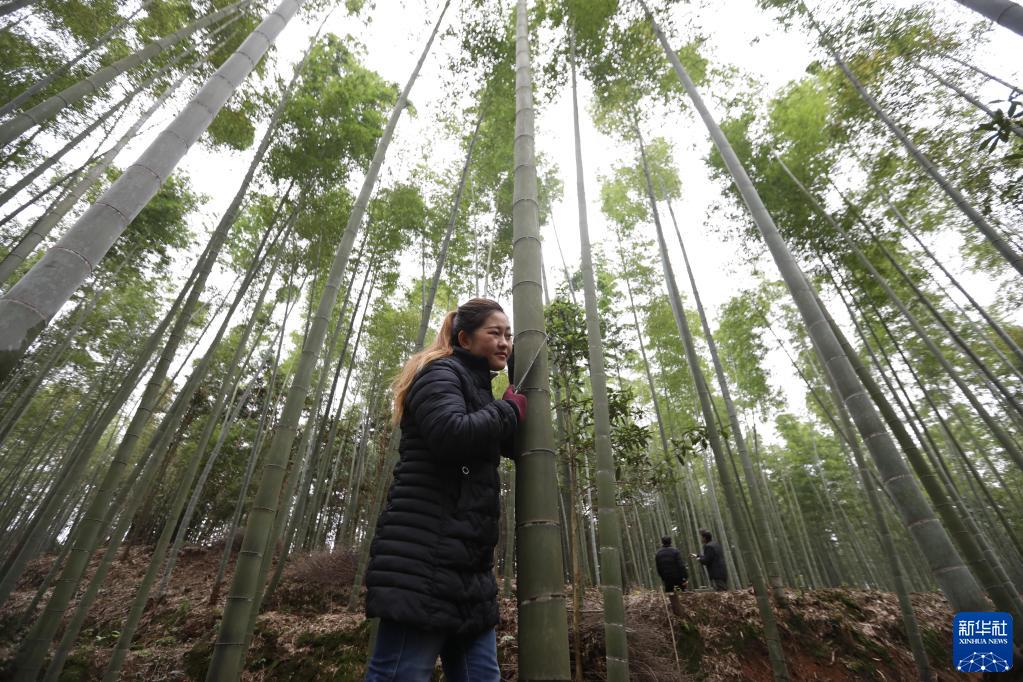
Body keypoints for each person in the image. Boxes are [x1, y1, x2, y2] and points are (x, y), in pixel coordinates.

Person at [363, 298, 525, 682]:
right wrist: (510, 410)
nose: (505, 342)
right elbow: (451, 434)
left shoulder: (477, 388)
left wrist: (516, 402)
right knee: (400, 674)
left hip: (469, 568)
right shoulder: (440, 373)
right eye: (495, 333)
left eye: (509, 336)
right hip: (423, 562)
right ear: (465, 338)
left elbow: (505, 444)